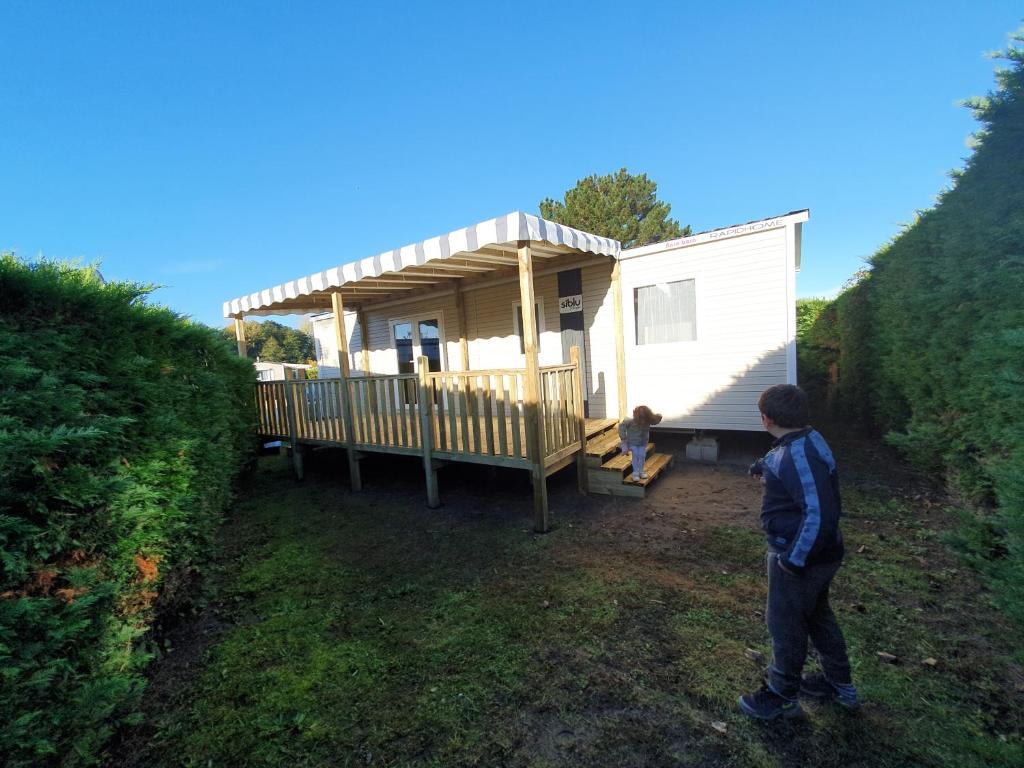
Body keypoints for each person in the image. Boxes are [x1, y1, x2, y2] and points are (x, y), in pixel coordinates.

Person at [739, 384, 857, 720]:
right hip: (821, 556)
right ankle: (839, 684)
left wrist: (793, 560)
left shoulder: (797, 456)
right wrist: (764, 465)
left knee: (785, 624)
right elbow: (787, 456)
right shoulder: (807, 439)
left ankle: (783, 695)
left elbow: (819, 513)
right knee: (818, 616)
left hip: (800, 558)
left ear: (766, 419)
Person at [618, 405, 662, 482]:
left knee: (642, 456)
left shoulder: (648, 420)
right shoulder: (630, 421)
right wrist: (623, 438)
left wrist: (659, 417)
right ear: (637, 416)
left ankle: (641, 471)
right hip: (632, 442)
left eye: (644, 418)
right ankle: (635, 473)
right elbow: (622, 426)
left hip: (643, 442)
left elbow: (655, 422)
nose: (643, 421)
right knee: (636, 455)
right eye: (641, 418)